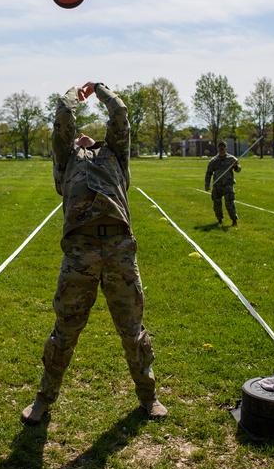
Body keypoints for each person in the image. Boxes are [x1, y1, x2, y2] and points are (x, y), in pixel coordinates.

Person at [21, 81, 167, 425]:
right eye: (75, 135)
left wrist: (99, 89)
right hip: (80, 251)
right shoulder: (66, 159)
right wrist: (73, 95)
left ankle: (149, 397)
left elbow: (119, 115)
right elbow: (63, 119)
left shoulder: (115, 154)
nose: (82, 137)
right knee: (66, 328)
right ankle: (43, 399)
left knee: (132, 329)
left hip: (119, 249)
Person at [205, 141, 241, 226]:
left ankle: (234, 220)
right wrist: (207, 184)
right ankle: (219, 219)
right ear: (218, 149)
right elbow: (208, 173)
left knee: (230, 204)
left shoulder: (232, 159)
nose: (221, 150)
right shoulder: (213, 161)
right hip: (217, 186)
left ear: (226, 148)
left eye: (223, 148)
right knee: (217, 204)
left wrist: (236, 166)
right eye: (220, 148)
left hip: (228, 185)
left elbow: (238, 170)